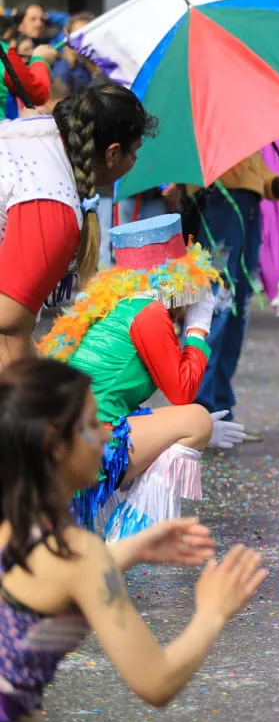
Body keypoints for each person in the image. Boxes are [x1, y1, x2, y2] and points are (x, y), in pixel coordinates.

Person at [0, 357, 266, 722]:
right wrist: (213, 611)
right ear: (55, 445)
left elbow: (38, 588)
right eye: (92, 426)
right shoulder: (78, 554)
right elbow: (156, 681)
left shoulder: (19, 525)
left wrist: (131, 549)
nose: (108, 436)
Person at [40, 213, 244, 539]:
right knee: (196, 419)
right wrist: (197, 328)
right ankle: (131, 537)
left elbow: (113, 397)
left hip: (68, 438)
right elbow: (182, 393)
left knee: (178, 424)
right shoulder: (149, 313)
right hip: (87, 443)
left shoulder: (118, 305)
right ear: (176, 282)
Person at [0, 85, 155, 369]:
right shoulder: (52, 204)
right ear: (113, 154)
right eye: (134, 154)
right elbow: (6, 328)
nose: (134, 163)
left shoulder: (39, 138)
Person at [192, 151, 279, 441]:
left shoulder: (241, 121)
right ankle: (200, 410)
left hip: (246, 209)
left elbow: (255, 171)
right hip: (219, 204)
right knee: (215, 307)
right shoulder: (208, 117)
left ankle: (219, 406)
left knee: (236, 310)